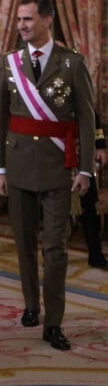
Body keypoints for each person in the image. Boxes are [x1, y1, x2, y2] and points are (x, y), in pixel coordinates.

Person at [0, 0, 95, 352]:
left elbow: (86, 118)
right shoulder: (9, 64)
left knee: (56, 250)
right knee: (22, 244)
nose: (21, 25)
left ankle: (54, 322)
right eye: (19, 19)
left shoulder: (72, 64)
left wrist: (86, 169)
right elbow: (1, 118)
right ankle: (31, 305)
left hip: (58, 168)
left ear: (47, 20)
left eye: (28, 19)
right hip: (18, 165)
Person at [79, 111, 107, 268]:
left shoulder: (82, 90)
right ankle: (51, 255)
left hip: (81, 157)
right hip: (56, 157)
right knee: (55, 210)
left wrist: (101, 146)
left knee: (89, 208)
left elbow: (93, 117)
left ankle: (95, 255)